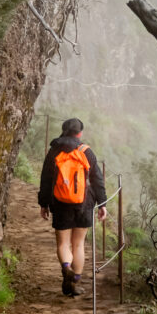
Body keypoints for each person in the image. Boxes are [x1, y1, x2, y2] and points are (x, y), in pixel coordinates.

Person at [38, 117, 107, 297]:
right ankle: (75, 281)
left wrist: (43, 203)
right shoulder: (86, 151)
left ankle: (66, 267)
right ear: (80, 133)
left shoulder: (54, 151)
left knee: (63, 243)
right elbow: (97, 180)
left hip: (60, 203)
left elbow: (45, 180)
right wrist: (103, 204)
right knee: (78, 244)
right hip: (84, 203)